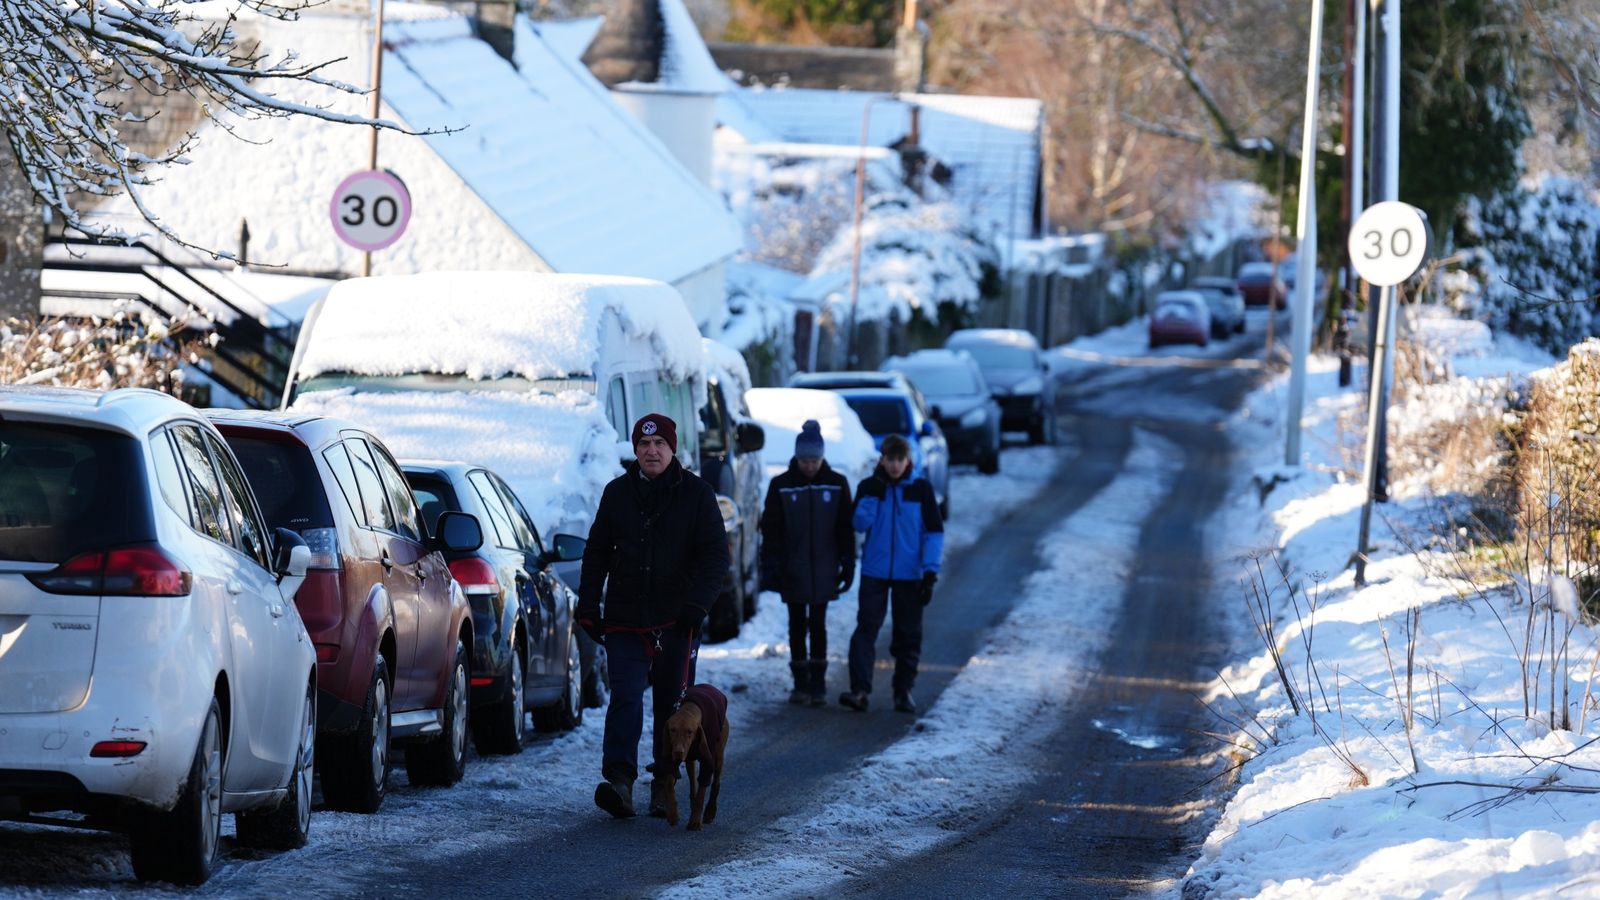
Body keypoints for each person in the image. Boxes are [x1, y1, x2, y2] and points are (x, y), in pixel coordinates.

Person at [577, 413, 730, 819]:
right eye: (644, 445)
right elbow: (596, 554)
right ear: (635, 450)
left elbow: (716, 556)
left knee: (670, 706)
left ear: (672, 449)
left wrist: (698, 604)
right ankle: (620, 783)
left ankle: (665, 784)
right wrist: (589, 605)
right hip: (625, 620)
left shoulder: (697, 494)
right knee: (625, 698)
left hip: (677, 621)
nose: (651, 451)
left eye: (659, 444)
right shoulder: (617, 494)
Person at [841, 433, 943, 714]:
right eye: (890, 459)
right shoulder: (869, 487)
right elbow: (859, 524)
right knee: (866, 629)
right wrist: (873, 494)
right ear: (882, 460)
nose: (895, 465)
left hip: (909, 575)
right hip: (875, 571)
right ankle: (860, 690)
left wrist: (930, 572)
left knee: (908, 633)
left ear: (908, 460)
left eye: (900, 459)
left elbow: (933, 533)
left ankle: (903, 690)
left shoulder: (921, 489)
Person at [759, 420, 855, 707]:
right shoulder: (782, 485)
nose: (809, 466)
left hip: (825, 567)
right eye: (804, 460)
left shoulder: (837, 484)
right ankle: (800, 683)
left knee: (819, 623)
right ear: (796, 458)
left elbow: (844, 528)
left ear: (822, 457)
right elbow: (771, 529)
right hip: (794, 568)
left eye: (814, 460)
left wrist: (848, 562)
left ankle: (818, 684)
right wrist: (771, 565)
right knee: (797, 624)